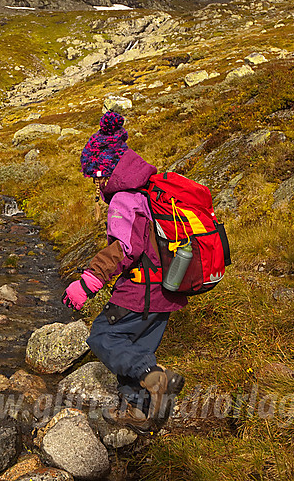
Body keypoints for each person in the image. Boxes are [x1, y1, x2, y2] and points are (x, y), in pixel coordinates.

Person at [62, 111, 185, 434]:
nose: (95, 183)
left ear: (107, 171)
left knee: (103, 336)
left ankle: (154, 377)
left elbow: (124, 249)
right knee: (137, 345)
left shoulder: (124, 200)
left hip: (140, 290)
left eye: (96, 176)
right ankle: (140, 411)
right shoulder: (148, 193)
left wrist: (87, 283)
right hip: (168, 291)